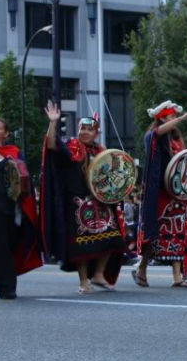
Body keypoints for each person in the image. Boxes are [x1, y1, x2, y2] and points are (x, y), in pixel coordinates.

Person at [41, 103, 126, 293]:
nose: (85, 132)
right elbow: (52, 143)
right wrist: (53, 122)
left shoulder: (101, 152)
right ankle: (83, 282)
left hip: (101, 201)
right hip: (77, 203)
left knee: (114, 239)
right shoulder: (71, 147)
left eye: (90, 129)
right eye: (82, 128)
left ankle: (98, 274)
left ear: (96, 133)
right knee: (82, 244)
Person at [0, 118, 42, 299]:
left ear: (6, 134)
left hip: (9, 208)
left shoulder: (13, 152)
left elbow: (24, 177)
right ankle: (7, 287)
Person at [135, 101, 187, 288]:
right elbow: (158, 132)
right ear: (162, 118)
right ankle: (142, 268)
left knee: (178, 231)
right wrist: (183, 118)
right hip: (158, 192)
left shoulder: (176, 139)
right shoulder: (151, 136)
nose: (174, 121)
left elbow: (183, 161)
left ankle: (177, 277)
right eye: (171, 117)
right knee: (155, 233)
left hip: (176, 191)